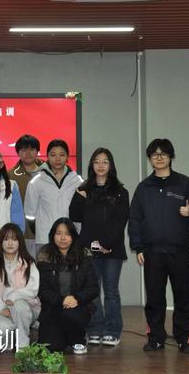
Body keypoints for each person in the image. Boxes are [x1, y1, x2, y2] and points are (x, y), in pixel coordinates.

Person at [128, 138, 189, 354]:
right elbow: (135, 219)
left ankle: (184, 339)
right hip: (152, 253)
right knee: (154, 299)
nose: (159, 157)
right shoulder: (143, 188)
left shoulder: (185, 184)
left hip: (180, 252)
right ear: (150, 158)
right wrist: (138, 247)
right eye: (154, 154)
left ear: (170, 156)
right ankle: (156, 339)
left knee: (184, 297)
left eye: (163, 153)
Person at [69, 147, 129, 347]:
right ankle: (94, 328)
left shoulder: (121, 192)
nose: (100, 165)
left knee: (111, 291)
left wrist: (106, 244)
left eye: (105, 161)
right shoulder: (84, 189)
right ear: (91, 165)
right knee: (92, 291)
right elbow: (74, 215)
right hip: (88, 249)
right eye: (96, 161)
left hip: (112, 250)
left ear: (111, 165)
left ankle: (112, 330)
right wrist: (80, 198)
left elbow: (120, 221)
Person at [36, 218, 99, 355]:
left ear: (73, 236)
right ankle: (64, 338)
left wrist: (77, 299)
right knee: (50, 347)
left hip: (77, 307)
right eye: (58, 233)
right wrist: (61, 300)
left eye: (67, 234)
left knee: (69, 315)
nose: (63, 238)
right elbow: (42, 289)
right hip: (52, 307)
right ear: (53, 235)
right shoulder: (44, 255)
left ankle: (78, 340)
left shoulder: (84, 255)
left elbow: (93, 287)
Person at [0, 223, 40, 350]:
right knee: (2, 330)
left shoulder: (28, 263)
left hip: (26, 308)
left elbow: (33, 289)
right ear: (1, 242)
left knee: (19, 305)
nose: (10, 243)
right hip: (2, 311)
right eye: (6, 239)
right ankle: (12, 337)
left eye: (14, 239)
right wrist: (1, 307)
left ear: (20, 242)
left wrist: (13, 296)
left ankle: (23, 344)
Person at [24, 139, 83, 253]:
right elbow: (30, 215)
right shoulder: (37, 181)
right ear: (47, 156)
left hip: (70, 240)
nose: (57, 159)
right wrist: (41, 232)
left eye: (62, 155)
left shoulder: (77, 181)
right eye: (53, 155)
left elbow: (81, 213)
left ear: (67, 157)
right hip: (45, 240)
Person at [8, 134, 44, 257]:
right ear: (18, 152)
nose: (28, 153)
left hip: (47, 230)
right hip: (22, 232)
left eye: (32, 149)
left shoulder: (49, 172)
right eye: (23, 150)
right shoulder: (10, 176)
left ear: (37, 151)